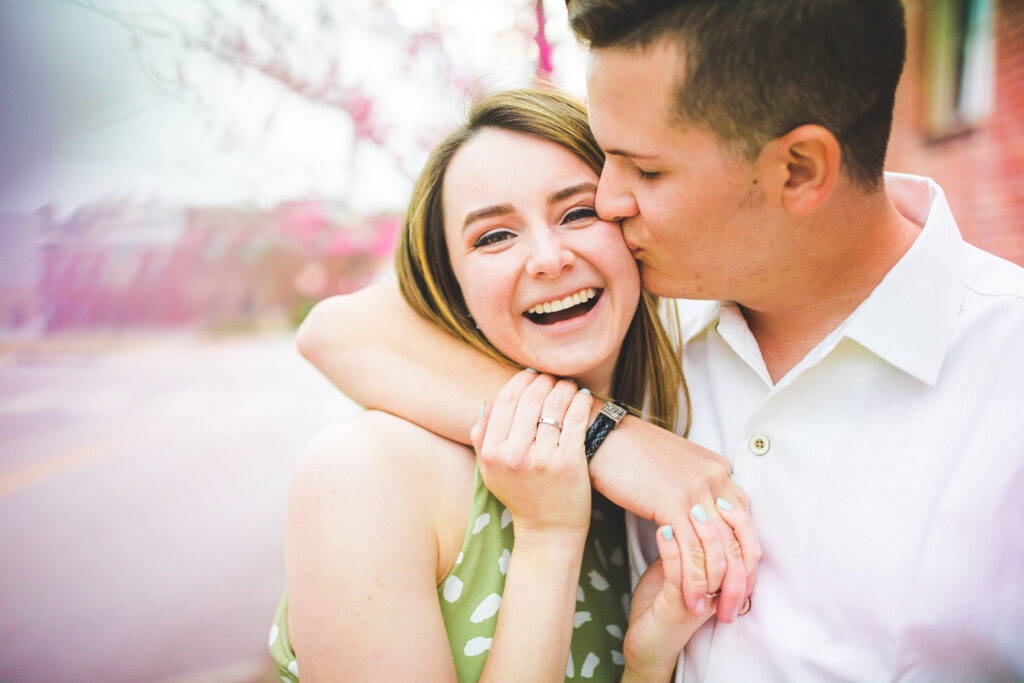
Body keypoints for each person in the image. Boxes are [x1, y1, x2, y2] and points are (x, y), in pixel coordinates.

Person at [297, 1, 1024, 680]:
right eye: (607, 159)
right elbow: (338, 328)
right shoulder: (646, 319)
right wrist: (607, 435)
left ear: (797, 170)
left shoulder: (1005, 373)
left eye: (645, 169)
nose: (610, 202)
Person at [270, 88, 746, 682]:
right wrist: (555, 523)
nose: (548, 259)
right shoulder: (367, 471)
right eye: (493, 236)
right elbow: (329, 327)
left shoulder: (668, 428)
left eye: (579, 213)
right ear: (453, 285)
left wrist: (647, 664)